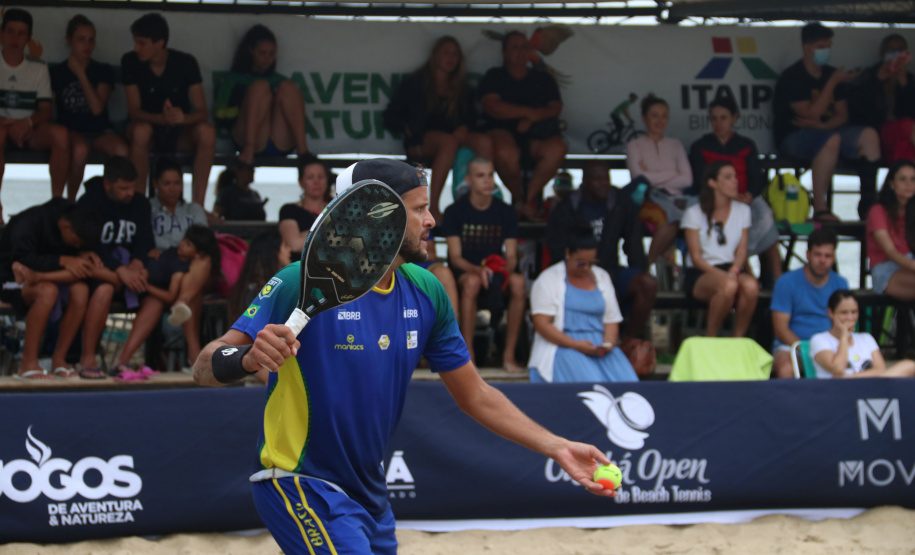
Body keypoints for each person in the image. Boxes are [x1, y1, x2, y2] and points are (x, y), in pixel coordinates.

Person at [192, 157, 616, 554]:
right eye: (419, 210)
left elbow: (476, 395)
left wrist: (557, 447)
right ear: (380, 219)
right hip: (299, 481)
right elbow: (204, 366)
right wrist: (247, 360)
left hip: (370, 496)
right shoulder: (299, 280)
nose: (432, 221)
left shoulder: (427, 290)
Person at [773, 22, 881, 221]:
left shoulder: (832, 73)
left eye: (829, 46)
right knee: (830, 139)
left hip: (829, 133)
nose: (827, 51)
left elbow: (842, 115)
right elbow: (811, 114)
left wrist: (823, 126)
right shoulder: (792, 77)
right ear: (808, 48)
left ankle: (869, 204)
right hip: (794, 138)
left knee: (869, 136)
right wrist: (832, 83)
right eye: (822, 46)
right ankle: (821, 208)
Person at [383, 35, 492, 223]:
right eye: (446, 52)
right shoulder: (415, 82)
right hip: (421, 140)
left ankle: (481, 202)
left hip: (453, 139)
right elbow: (390, 116)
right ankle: (433, 206)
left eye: (455, 53)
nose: (451, 57)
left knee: (484, 142)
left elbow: (474, 117)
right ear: (435, 56)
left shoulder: (462, 87)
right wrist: (408, 128)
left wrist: (465, 127)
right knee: (448, 142)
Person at [545, 160, 657, 341]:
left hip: (610, 270)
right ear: (585, 181)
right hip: (574, 273)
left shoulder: (621, 202)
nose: (604, 182)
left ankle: (628, 341)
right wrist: (579, 274)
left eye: (606, 177)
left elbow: (634, 244)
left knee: (647, 284)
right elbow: (557, 249)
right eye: (597, 178)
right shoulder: (567, 206)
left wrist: (638, 270)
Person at [0, 199, 101, 380]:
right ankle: (28, 363)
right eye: (76, 242)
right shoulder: (29, 222)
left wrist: (78, 256)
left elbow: (80, 271)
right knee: (48, 291)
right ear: (65, 226)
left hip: (45, 277)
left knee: (81, 291)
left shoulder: (77, 219)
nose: (77, 247)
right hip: (10, 277)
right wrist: (62, 260)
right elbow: (20, 261)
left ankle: (59, 359)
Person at [121, 13, 215, 206]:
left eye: (142, 43)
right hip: (147, 133)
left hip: (179, 133)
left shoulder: (186, 62)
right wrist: (161, 118)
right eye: (135, 42)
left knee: (207, 132)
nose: (136, 48)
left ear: (160, 43)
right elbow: (134, 112)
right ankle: (138, 205)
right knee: (141, 131)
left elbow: (202, 112)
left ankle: (198, 206)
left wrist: (182, 118)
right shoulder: (130, 61)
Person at [442, 156, 525, 372]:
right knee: (472, 283)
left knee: (518, 283)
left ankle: (509, 356)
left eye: (491, 175)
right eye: (481, 176)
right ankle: (469, 357)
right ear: (468, 180)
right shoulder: (454, 212)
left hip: (497, 271)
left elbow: (513, 255)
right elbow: (456, 258)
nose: (488, 181)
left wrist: (504, 269)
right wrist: (479, 270)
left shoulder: (506, 212)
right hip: (466, 273)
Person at [689, 97, 782, 287]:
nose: (718, 123)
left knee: (766, 217)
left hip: (746, 198)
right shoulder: (701, 146)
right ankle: (747, 276)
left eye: (723, 118)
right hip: (714, 200)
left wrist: (748, 194)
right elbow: (700, 179)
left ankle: (778, 280)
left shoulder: (746, 144)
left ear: (734, 118)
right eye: (714, 118)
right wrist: (727, 197)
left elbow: (757, 176)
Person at [76, 156, 154, 378]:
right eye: (123, 188)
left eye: (132, 187)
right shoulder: (89, 202)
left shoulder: (140, 203)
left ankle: (124, 359)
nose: (130, 192)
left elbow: (145, 240)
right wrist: (119, 269)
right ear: (107, 184)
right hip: (102, 271)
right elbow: (90, 242)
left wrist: (138, 264)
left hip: (132, 269)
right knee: (105, 290)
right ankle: (87, 358)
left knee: (156, 298)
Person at [479, 30, 567, 222]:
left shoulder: (543, 78)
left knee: (557, 149)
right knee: (505, 153)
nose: (520, 51)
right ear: (504, 53)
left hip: (538, 136)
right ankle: (519, 199)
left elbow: (555, 108)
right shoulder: (495, 76)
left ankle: (527, 200)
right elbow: (492, 106)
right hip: (502, 133)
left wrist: (532, 119)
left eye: (524, 47)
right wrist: (529, 113)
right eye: (514, 47)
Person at [110, 224, 220, 376]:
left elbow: (169, 294)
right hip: (141, 284)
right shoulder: (169, 255)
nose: (182, 244)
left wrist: (146, 284)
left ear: (197, 253)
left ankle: (194, 355)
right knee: (184, 300)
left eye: (189, 244)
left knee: (190, 297)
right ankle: (194, 356)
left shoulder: (182, 268)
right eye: (184, 240)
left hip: (158, 289)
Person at [528, 232, 637, 383]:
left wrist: (608, 344)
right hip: (564, 347)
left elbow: (611, 320)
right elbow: (541, 324)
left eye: (591, 262)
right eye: (581, 263)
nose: (586, 268)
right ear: (568, 253)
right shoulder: (548, 279)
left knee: (628, 382)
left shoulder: (602, 276)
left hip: (600, 349)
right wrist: (576, 345)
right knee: (592, 384)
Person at [0, 8, 69, 223]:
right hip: (1, 129)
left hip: (30, 130)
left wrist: (27, 123)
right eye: (10, 31)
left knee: (60, 134)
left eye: (21, 33)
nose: (15, 38)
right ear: (1, 33)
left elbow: (46, 111)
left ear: (29, 38)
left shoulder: (38, 67)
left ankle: (56, 205)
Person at [50, 14, 129, 201]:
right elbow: (49, 107)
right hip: (71, 130)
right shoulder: (57, 72)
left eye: (90, 40)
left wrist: (81, 74)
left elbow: (96, 108)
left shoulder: (102, 70)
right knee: (80, 150)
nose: (86, 45)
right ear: (70, 41)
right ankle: (70, 201)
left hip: (100, 131)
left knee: (122, 151)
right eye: (81, 39)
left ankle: (115, 200)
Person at [681, 160, 759, 338]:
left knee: (751, 286)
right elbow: (696, 258)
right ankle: (711, 337)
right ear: (713, 183)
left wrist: (735, 269)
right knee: (729, 285)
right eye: (728, 177)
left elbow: (741, 250)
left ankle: (738, 339)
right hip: (701, 272)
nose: (735, 181)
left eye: (735, 177)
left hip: (730, 268)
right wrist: (726, 276)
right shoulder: (694, 213)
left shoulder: (743, 210)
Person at [214, 24, 309, 166]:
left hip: (280, 139)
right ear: (251, 51)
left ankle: (304, 154)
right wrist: (248, 105)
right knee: (260, 87)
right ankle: (249, 150)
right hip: (249, 140)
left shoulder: (279, 80)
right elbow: (220, 116)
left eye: (271, 54)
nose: (267, 58)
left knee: (289, 88)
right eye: (262, 53)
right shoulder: (234, 79)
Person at [626, 94, 695, 266]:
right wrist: (673, 173)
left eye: (664, 116)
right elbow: (639, 178)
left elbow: (687, 180)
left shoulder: (675, 144)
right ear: (644, 118)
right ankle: (645, 268)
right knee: (669, 223)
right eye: (654, 115)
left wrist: (652, 175)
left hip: (678, 200)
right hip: (650, 199)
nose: (660, 120)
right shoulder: (635, 145)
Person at [770, 228, 848, 379]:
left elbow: (847, 322)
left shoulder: (841, 283)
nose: (822, 260)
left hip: (830, 345)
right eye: (817, 254)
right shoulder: (786, 282)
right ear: (807, 255)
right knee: (786, 370)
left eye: (828, 256)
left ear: (834, 257)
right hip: (792, 347)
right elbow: (780, 329)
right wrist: (808, 350)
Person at [810, 289, 915, 379]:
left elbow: (880, 369)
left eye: (854, 312)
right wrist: (843, 337)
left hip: (870, 388)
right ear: (831, 313)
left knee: (909, 365)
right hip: (837, 393)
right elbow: (838, 368)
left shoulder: (866, 338)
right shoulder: (819, 339)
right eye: (844, 313)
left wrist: (850, 378)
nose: (850, 318)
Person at [850, 34, 915, 165]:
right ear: (882, 53)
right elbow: (857, 112)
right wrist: (877, 81)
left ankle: (902, 181)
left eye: (900, 50)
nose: (896, 54)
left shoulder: (910, 79)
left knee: (905, 143)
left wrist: (903, 84)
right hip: (876, 133)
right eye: (891, 50)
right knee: (907, 127)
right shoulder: (869, 75)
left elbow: (910, 113)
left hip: (903, 135)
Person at [866, 160, 915, 300]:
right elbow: (890, 252)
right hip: (886, 269)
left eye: (913, 179)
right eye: (903, 179)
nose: (909, 184)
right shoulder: (878, 211)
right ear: (891, 183)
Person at [227, 229, 292, 321]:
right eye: (285, 246)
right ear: (272, 253)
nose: (289, 249)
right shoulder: (254, 292)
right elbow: (252, 323)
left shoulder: (256, 287)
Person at [278, 154, 333, 253]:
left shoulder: (336, 209)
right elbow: (294, 244)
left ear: (327, 180)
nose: (316, 182)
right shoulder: (289, 210)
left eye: (320, 177)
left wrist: (304, 235)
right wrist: (330, 234)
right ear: (301, 182)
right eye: (310, 177)